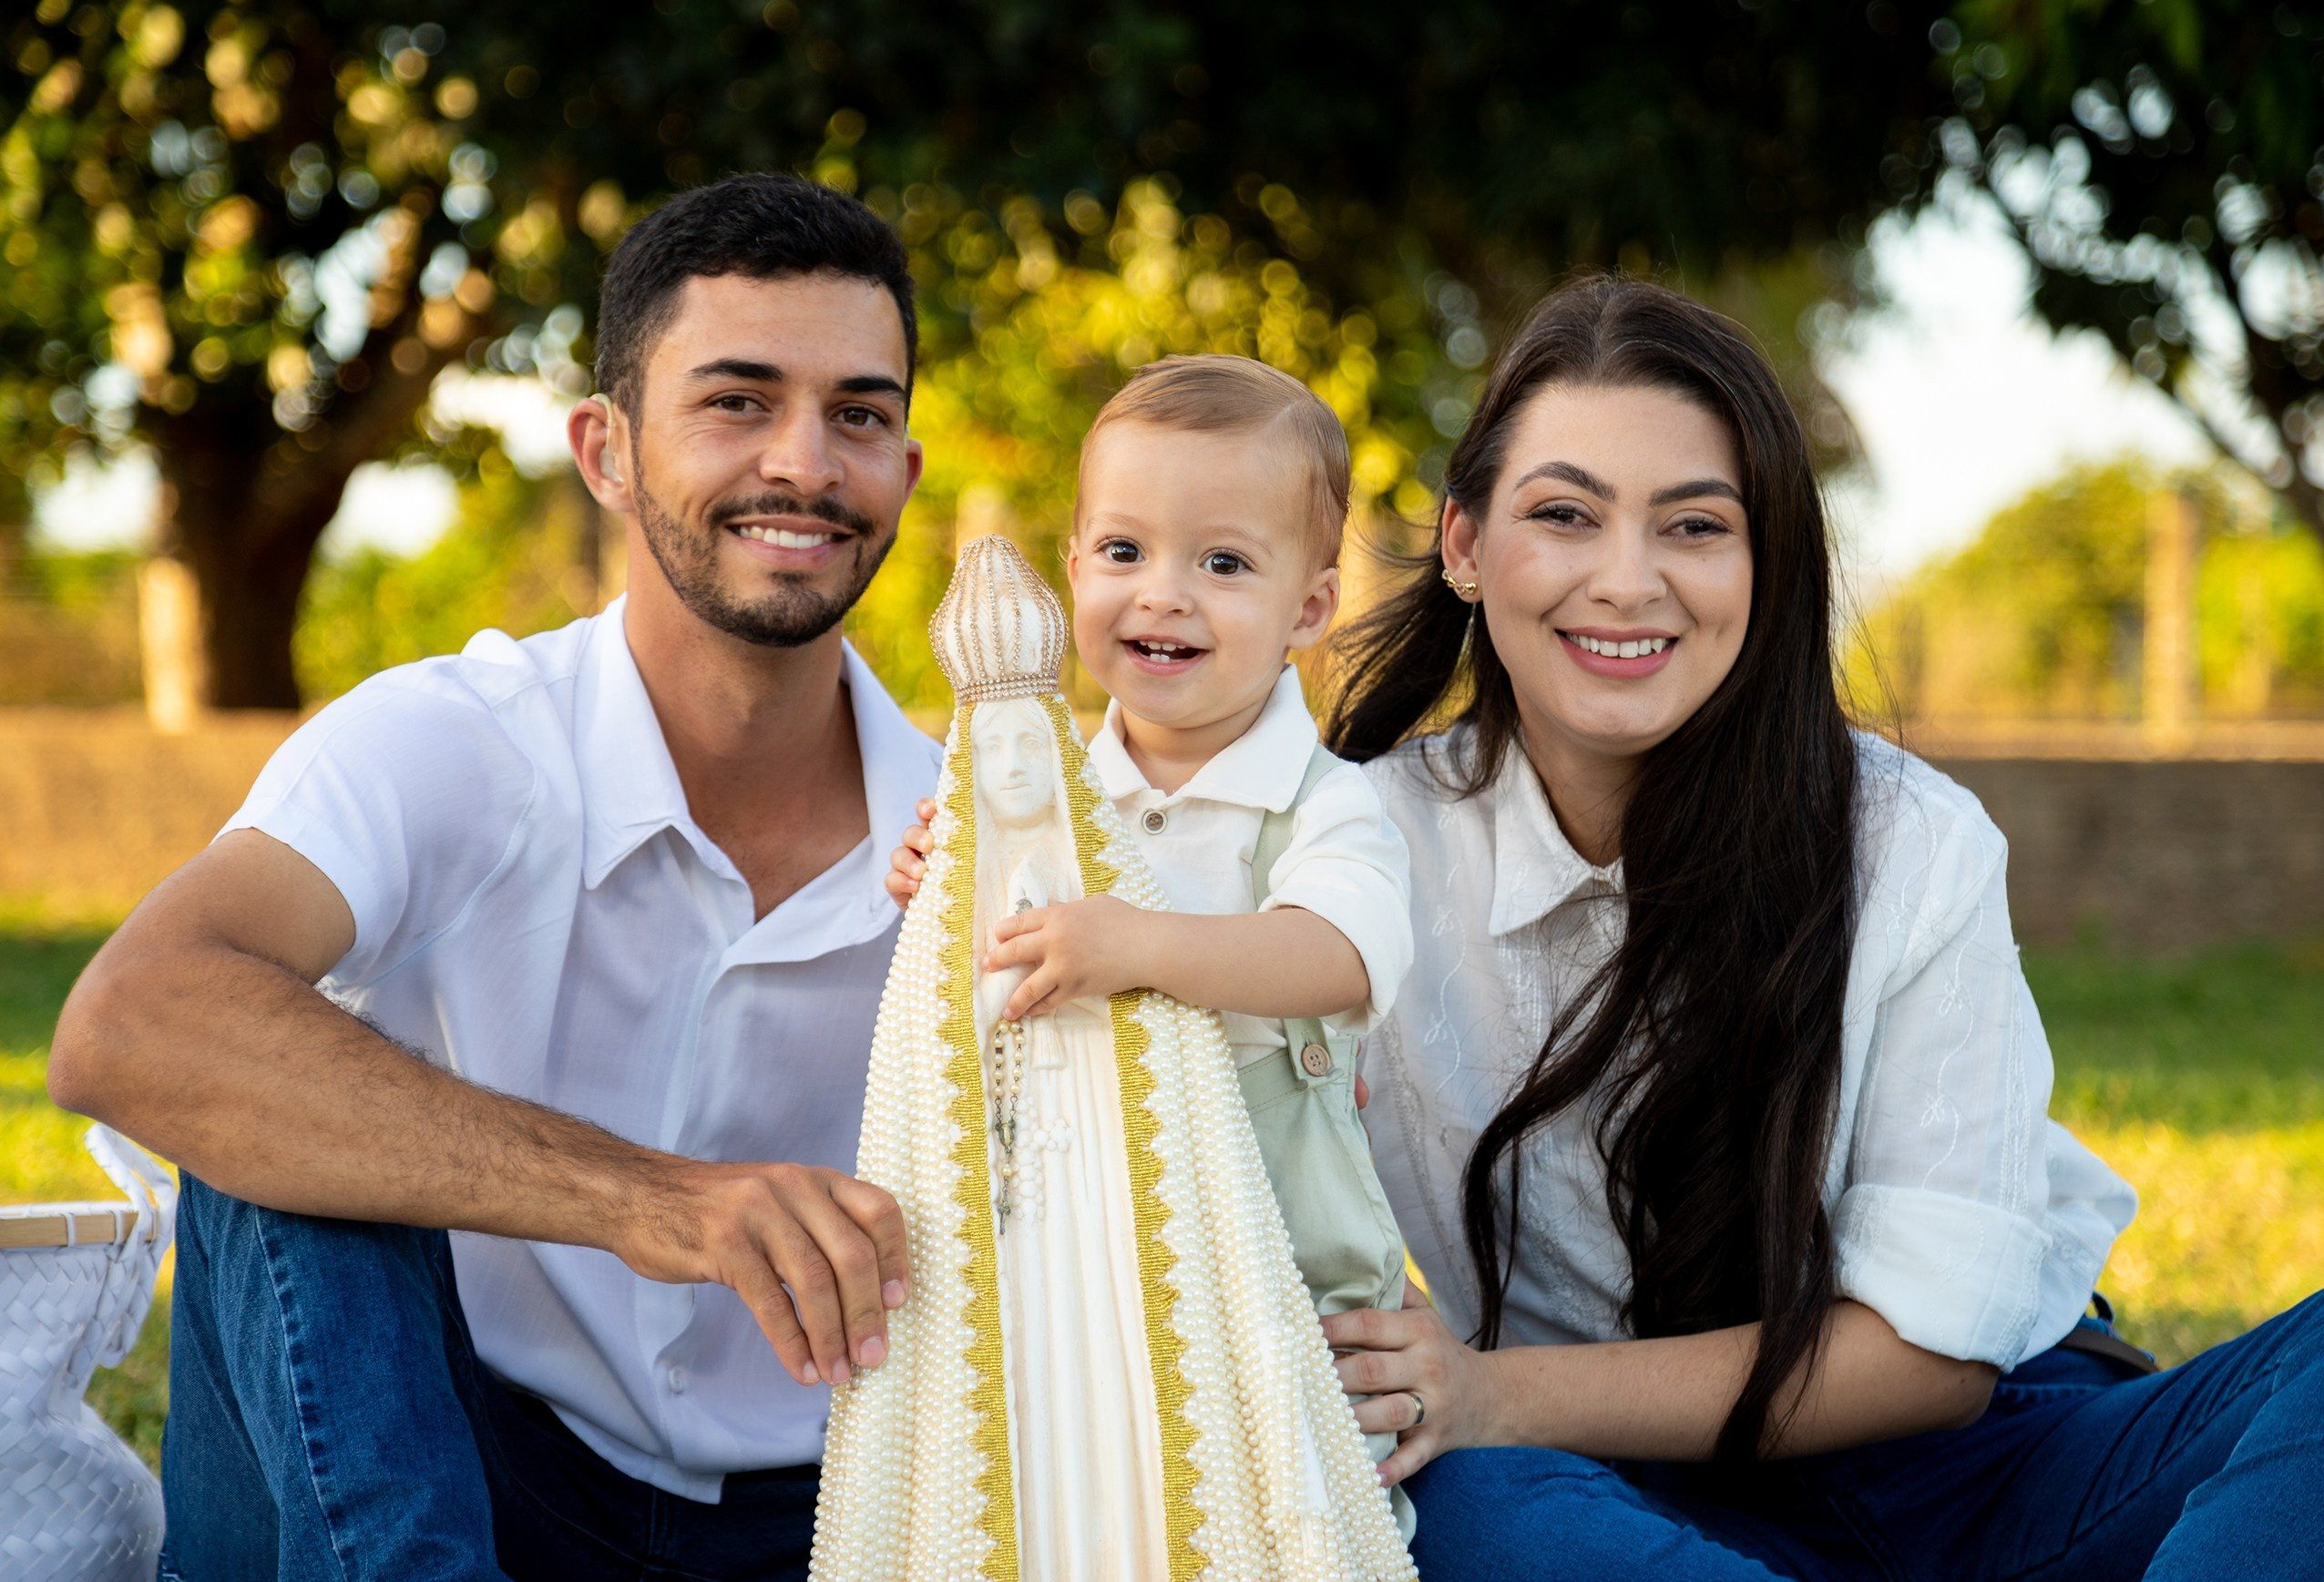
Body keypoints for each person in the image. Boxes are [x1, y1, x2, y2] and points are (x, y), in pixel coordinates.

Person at [1316, 275, 2324, 1579]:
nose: (1625, 581)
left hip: (2002, 1471)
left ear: (1765, 560)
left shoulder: (1905, 840)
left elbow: (1928, 1358)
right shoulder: (1349, 852)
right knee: (1444, 1504)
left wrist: (1491, 1392)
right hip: (1619, 1503)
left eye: (1692, 524)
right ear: (1462, 545)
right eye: (1561, 514)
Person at [46, 172, 941, 1582]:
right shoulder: (453, 740)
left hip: (837, 1510)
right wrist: (657, 1199)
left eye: (859, 414)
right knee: (275, 1102)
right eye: (735, 400)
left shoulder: (976, 838)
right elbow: (126, 1022)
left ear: (901, 465)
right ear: (604, 449)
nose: (805, 463)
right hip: (434, 1461)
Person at [886, 358, 1417, 1502]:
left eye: (1223, 563)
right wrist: (949, 887)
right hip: (1095, 1255)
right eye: (1123, 552)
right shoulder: (1050, 788)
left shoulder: (1322, 802)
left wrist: (1132, 941)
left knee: (1289, 1520)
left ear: (1309, 608)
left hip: (1285, 1284)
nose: (1162, 594)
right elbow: (992, 975)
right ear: (1072, 565)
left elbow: (1335, 953)